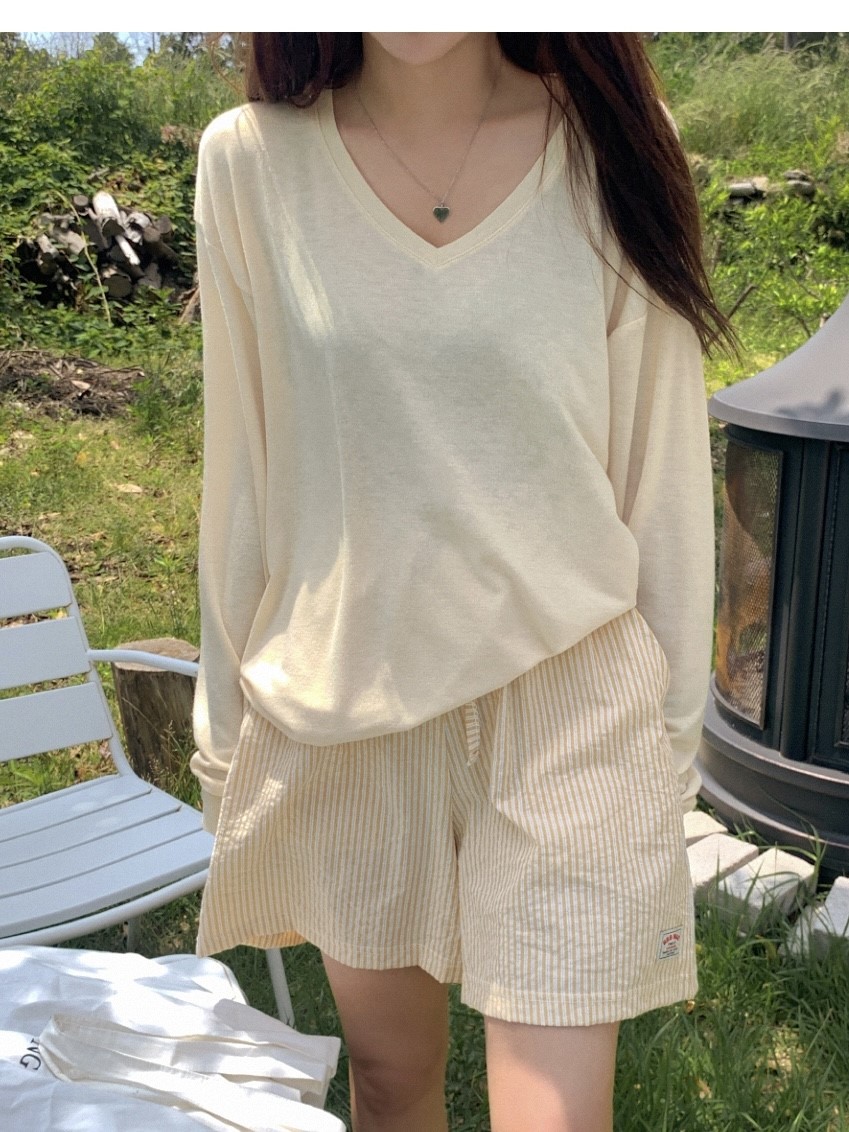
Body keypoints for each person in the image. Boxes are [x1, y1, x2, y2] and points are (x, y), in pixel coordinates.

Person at [190, 32, 732, 1132]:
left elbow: (661, 467)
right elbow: (241, 470)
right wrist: (224, 738)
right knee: (391, 1084)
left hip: (574, 705)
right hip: (349, 704)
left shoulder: (612, 146)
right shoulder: (250, 162)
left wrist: (667, 750)